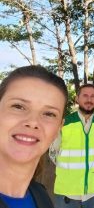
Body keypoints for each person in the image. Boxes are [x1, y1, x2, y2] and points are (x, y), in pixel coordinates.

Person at [0, 65, 68, 208]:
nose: (32, 122)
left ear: (58, 129)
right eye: (18, 106)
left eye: (49, 114)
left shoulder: (42, 196)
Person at [49, 84, 94, 208]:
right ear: (77, 99)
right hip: (67, 190)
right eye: (85, 96)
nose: (89, 99)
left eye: (93, 96)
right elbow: (53, 152)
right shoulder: (65, 122)